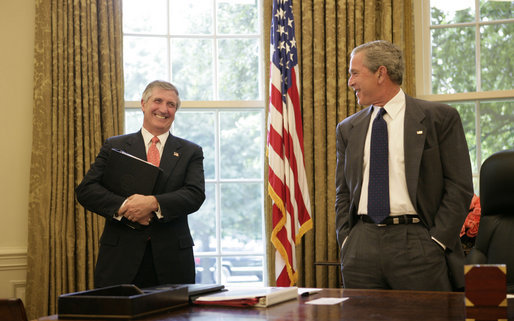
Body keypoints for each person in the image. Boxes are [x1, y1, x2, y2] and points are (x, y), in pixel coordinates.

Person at [335, 40, 474, 291]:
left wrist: (437, 240)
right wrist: (347, 240)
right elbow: (343, 192)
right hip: (361, 247)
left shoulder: (439, 119)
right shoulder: (348, 129)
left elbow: (459, 187)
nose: (350, 82)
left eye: (355, 73)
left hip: (418, 244)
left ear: (381, 73)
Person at [76, 80, 205, 289]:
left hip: (173, 262)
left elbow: (194, 194)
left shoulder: (191, 151)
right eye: (158, 101)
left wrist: (153, 203)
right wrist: (126, 207)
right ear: (143, 104)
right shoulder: (115, 146)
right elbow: (86, 190)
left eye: (171, 104)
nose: (164, 109)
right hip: (119, 261)